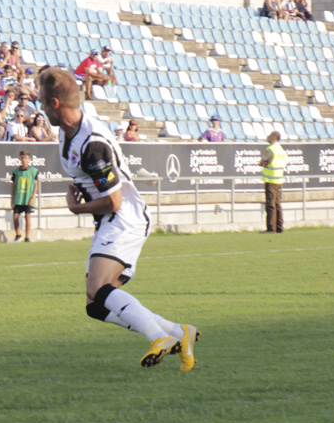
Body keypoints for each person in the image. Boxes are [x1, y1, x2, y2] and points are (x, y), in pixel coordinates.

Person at [38, 66, 198, 371]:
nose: (41, 108)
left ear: (55, 104)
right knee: (95, 306)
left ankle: (159, 337)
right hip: (114, 219)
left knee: (97, 289)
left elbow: (113, 200)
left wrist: (77, 208)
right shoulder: (68, 131)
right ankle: (179, 332)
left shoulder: (92, 145)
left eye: (43, 102)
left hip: (123, 216)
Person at [259, 130, 288, 234]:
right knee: (277, 204)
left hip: (270, 179)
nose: (268, 136)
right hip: (279, 179)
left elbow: (262, 162)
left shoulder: (270, 149)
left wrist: (265, 164)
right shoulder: (281, 150)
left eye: (270, 135)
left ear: (274, 137)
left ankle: (271, 228)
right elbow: (284, 163)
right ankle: (280, 227)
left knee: (270, 204)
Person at [10, 150, 39, 243]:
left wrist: (33, 197)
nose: (24, 160)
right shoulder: (16, 171)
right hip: (19, 197)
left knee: (27, 216)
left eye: (25, 158)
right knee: (15, 216)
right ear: (19, 158)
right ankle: (18, 234)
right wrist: (12, 199)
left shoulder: (33, 171)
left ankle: (27, 237)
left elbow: (35, 185)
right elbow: (13, 185)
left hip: (27, 197)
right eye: (22, 158)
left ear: (29, 159)